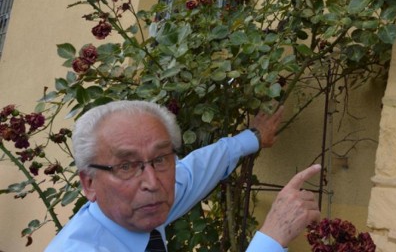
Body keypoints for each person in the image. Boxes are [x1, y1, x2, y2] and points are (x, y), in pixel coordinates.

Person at [45, 100, 321, 251]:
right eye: (126, 167)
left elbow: (197, 168)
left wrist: (254, 137)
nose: (153, 183)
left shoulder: (141, 207)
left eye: (161, 158)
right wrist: (270, 240)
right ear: (89, 183)